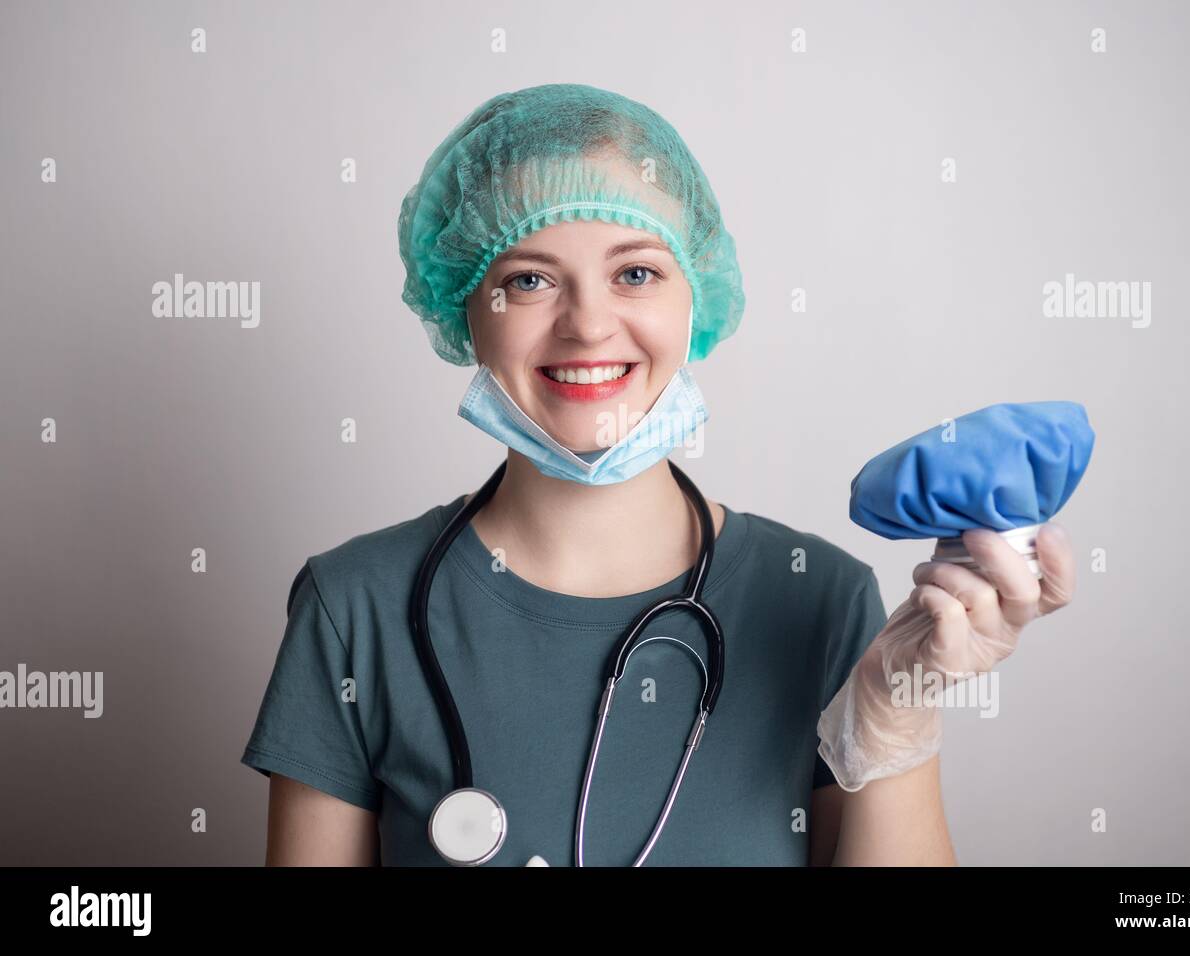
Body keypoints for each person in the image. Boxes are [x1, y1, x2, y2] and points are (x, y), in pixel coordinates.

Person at [239, 83, 1074, 866]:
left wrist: (897, 712)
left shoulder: (818, 598)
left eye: (635, 273)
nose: (589, 325)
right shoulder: (355, 607)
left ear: (695, 298)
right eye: (528, 280)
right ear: (466, 308)